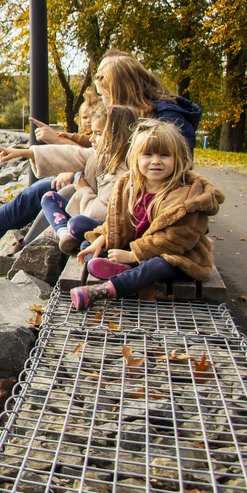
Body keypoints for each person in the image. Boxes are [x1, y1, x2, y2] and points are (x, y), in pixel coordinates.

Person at [70, 119, 225, 311]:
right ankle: (128, 271)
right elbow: (118, 222)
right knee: (88, 245)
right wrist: (102, 238)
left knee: (158, 266)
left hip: (176, 255)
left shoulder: (187, 196)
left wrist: (133, 254)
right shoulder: (130, 185)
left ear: (178, 158)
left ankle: (108, 288)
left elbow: (174, 240)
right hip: (140, 246)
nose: (156, 161)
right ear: (135, 158)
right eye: (148, 154)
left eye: (165, 155)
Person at [32, 53, 202, 150]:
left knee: (41, 193)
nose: (102, 101)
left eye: (104, 94)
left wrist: (58, 141)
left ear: (121, 92)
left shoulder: (168, 118)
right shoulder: (138, 114)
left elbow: (115, 158)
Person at [40, 104, 140, 254]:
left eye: (98, 133)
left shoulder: (122, 173)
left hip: (107, 226)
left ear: (118, 135)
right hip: (91, 213)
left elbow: (97, 214)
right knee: (49, 197)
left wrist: (84, 189)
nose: (91, 138)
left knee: (77, 224)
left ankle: (72, 234)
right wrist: (24, 152)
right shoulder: (103, 158)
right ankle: (64, 233)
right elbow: (71, 154)